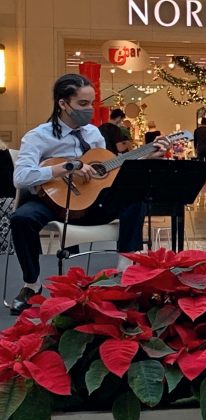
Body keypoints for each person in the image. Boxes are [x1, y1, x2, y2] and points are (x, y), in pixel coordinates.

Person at [9, 74, 170, 315]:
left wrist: (147, 155)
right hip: (51, 202)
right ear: (63, 104)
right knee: (21, 219)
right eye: (83, 104)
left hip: (89, 203)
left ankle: (125, 272)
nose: (89, 110)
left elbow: (106, 169)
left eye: (91, 103)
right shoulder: (38, 136)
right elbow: (20, 177)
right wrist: (65, 167)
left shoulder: (93, 134)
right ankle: (31, 284)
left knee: (136, 198)